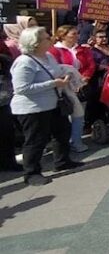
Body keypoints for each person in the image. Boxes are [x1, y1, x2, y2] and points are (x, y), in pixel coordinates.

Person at [10, 27, 83, 185]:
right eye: (46, 38)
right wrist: (54, 83)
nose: (50, 39)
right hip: (32, 108)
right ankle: (31, 173)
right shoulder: (24, 62)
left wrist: (65, 75)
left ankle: (62, 161)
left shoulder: (48, 56)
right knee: (36, 140)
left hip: (54, 103)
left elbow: (55, 72)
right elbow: (21, 88)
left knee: (62, 131)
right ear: (35, 43)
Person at [48, 25, 95, 153]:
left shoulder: (82, 49)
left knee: (79, 114)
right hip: (63, 87)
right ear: (63, 35)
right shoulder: (54, 51)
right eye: (73, 34)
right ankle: (73, 141)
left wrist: (85, 78)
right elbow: (55, 68)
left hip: (81, 86)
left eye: (77, 34)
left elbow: (90, 64)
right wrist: (68, 78)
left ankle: (75, 140)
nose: (77, 36)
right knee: (72, 114)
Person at [0, 38, 22, 171]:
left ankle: (8, 162)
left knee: (6, 134)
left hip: (4, 101)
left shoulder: (4, 59)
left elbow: (11, 74)